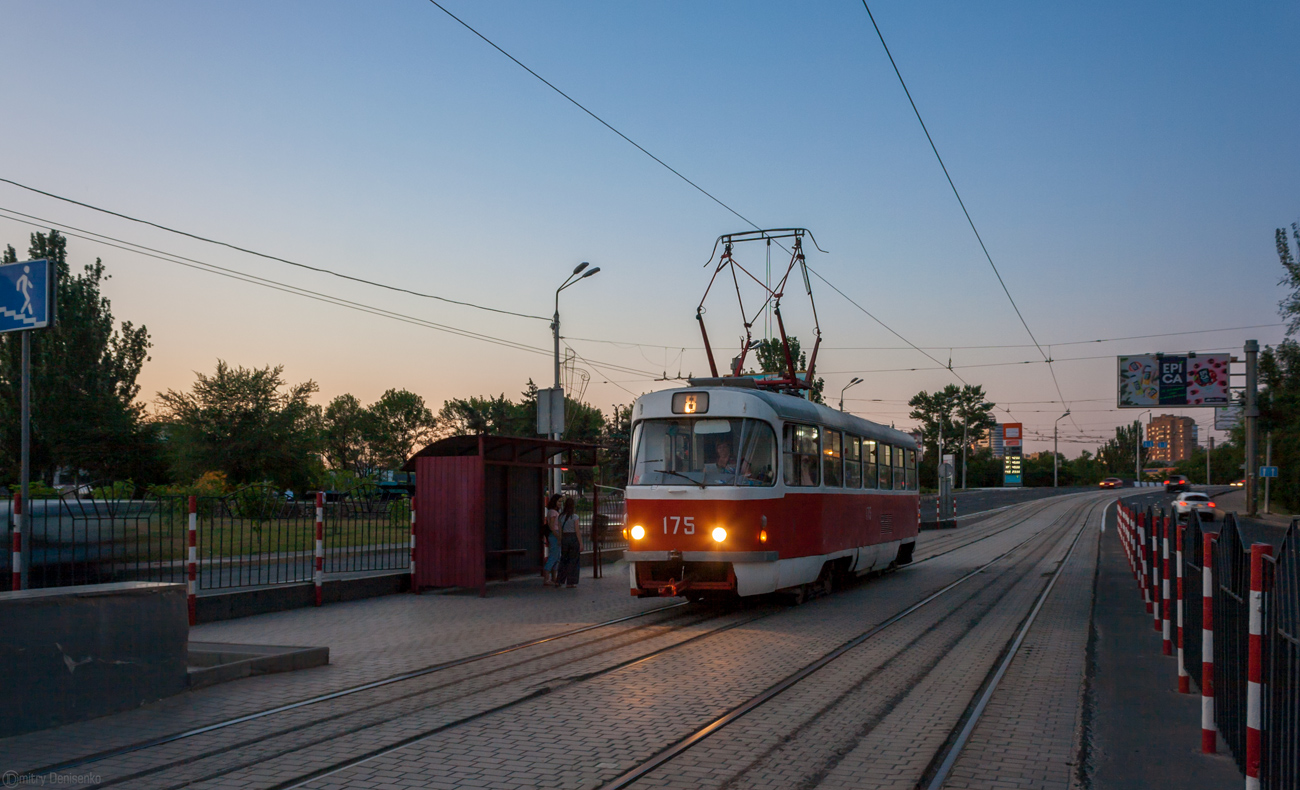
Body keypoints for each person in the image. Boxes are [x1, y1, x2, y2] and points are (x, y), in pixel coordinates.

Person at [556, 496, 582, 589]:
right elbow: (577, 531)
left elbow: (560, 530)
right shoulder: (574, 517)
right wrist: (581, 543)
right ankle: (570, 582)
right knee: (573, 561)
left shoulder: (561, 516)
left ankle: (559, 580)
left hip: (565, 539)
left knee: (564, 560)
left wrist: (560, 540)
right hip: (573, 538)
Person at [542, 494, 562, 586]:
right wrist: (558, 536)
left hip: (553, 535)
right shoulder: (553, 513)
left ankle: (553, 577)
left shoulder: (551, 511)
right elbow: (552, 526)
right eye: (559, 501)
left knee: (556, 556)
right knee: (553, 557)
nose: (560, 503)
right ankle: (547, 578)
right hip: (554, 535)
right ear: (555, 501)